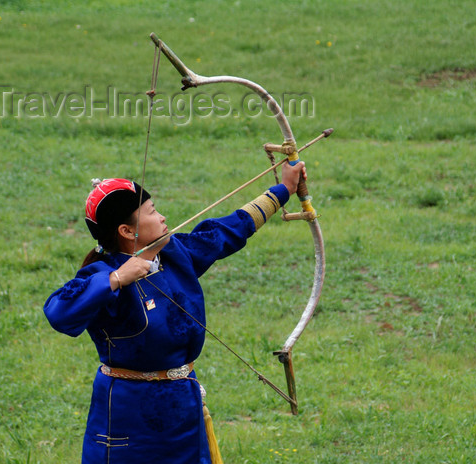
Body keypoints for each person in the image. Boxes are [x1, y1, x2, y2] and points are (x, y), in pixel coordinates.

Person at [44, 160, 306, 464]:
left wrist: (285, 188)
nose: (163, 216)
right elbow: (58, 313)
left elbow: (225, 231)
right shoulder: (102, 275)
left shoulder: (173, 253)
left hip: (182, 407)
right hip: (128, 419)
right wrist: (116, 279)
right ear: (127, 230)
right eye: (153, 212)